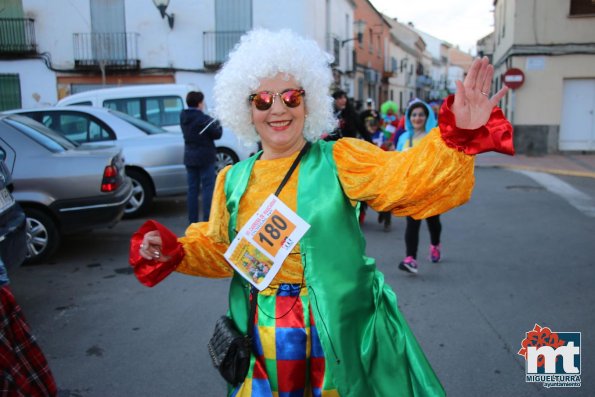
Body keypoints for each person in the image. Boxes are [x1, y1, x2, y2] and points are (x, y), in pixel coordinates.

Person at [129, 28, 513, 396]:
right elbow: (222, 250)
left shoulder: (341, 159)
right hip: (265, 338)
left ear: (308, 101)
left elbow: (407, 181)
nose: (277, 109)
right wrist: (171, 250)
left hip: (342, 331)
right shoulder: (232, 179)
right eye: (263, 99)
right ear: (247, 108)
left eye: (291, 96)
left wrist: (457, 134)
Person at [395, 100, 443, 274]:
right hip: (411, 189)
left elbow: (440, 162)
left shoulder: (435, 138)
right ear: (409, 117)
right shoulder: (403, 138)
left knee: (433, 222)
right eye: (414, 114)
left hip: (430, 188)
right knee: (412, 223)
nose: (417, 118)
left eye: (421, 114)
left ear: (427, 117)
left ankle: (435, 244)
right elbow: (396, 161)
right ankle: (410, 259)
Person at [180, 90, 222, 223]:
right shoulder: (203, 119)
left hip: (189, 156)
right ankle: (207, 219)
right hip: (205, 157)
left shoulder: (183, 116)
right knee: (207, 188)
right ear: (199, 103)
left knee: (192, 190)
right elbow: (217, 133)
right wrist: (218, 122)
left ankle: (192, 221)